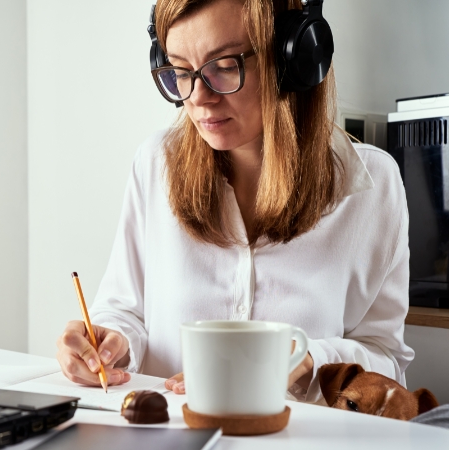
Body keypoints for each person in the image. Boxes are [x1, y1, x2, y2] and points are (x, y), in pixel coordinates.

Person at [55, 0, 414, 404]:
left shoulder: (373, 186)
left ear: (293, 57)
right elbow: (125, 310)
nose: (199, 98)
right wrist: (109, 341)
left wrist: (309, 358)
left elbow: (387, 360)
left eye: (224, 66)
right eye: (179, 71)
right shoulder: (155, 163)